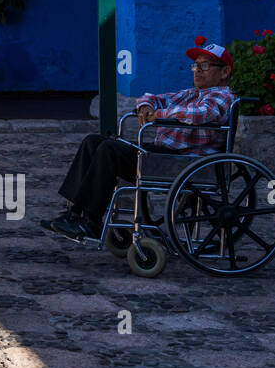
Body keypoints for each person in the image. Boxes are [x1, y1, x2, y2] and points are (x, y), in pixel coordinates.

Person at [39, 39, 237, 240]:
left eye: (205, 65)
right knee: (93, 141)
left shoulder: (222, 97)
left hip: (184, 161)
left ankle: (90, 220)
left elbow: (198, 115)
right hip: (164, 155)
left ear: (224, 72)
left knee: (109, 150)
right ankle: (74, 213)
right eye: (196, 65)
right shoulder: (191, 94)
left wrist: (158, 114)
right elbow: (152, 97)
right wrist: (145, 107)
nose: (197, 70)